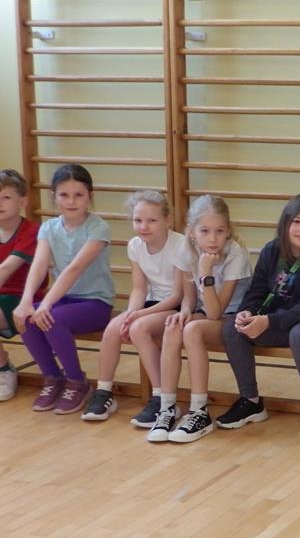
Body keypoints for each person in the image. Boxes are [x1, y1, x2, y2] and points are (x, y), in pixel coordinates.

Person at [218, 194, 300, 444]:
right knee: (233, 328)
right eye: (297, 221)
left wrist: (268, 321)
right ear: (286, 223)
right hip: (282, 321)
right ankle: (251, 401)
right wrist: (247, 312)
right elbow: (255, 292)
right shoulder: (272, 250)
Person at [148, 195, 252, 443]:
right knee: (174, 327)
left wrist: (206, 273)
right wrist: (185, 311)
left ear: (228, 231)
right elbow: (189, 296)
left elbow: (217, 312)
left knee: (192, 331)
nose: (213, 238)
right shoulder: (187, 249)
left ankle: (199, 411)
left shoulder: (235, 254)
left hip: (233, 319)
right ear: (192, 232)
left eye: (219, 231)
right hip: (207, 314)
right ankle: (167, 408)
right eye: (205, 231)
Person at [13, 164, 113, 414]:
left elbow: (74, 268)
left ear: (90, 195)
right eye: (64, 195)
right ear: (54, 196)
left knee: (51, 318)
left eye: (78, 195)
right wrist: (26, 302)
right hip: (63, 299)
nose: (71, 201)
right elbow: (38, 266)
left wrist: (46, 304)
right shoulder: (48, 228)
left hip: (95, 303)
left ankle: (77, 382)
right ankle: (53, 378)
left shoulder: (98, 227)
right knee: (28, 317)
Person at [81, 190, 186, 423]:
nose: (143, 226)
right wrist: (130, 313)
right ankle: (104, 392)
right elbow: (139, 288)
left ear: (167, 220)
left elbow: (177, 295)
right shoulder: (135, 246)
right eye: (138, 220)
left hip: (178, 306)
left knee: (139, 328)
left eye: (152, 220)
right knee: (113, 328)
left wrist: (139, 315)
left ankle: (163, 399)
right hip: (152, 304)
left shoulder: (180, 245)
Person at [0, 169, 45, 401]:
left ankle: (3, 368)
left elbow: (6, 269)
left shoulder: (32, 231)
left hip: (25, 300)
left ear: (23, 202)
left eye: (6, 197)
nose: (0, 203)